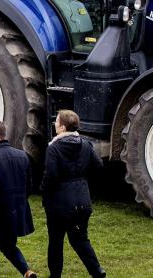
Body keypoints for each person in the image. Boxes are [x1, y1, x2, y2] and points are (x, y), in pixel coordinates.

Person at [41, 110, 106, 278]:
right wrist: (82, 180)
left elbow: (51, 175)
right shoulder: (85, 144)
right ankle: (97, 271)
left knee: (56, 241)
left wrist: (44, 190)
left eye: (56, 122)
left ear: (62, 127)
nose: (54, 124)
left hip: (59, 203)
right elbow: (98, 166)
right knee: (80, 239)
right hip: (82, 200)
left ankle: (55, 275)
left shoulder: (53, 148)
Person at [0, 120, 37, 278]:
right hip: (14, 214)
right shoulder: (22, 156)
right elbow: (29, 187)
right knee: (9, 246)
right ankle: (27, 271)